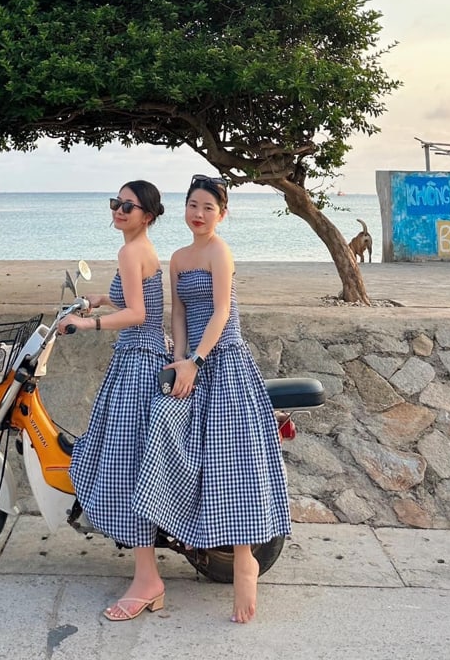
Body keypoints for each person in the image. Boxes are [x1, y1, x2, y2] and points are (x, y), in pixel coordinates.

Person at [133, 174, 291, 624]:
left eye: (207, 207)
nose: (198, 214)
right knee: (163, 429)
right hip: (192, 364)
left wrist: (197, 361)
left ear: (222, 213)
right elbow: (178, 312)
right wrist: (179, 361)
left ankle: (245, 560)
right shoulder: (179, 258)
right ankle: (174, 529)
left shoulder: (220, 251)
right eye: (192, 205)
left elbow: (221, 310)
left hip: (224, 360)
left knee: (230, 457)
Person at [57, 180, 170, 622]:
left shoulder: (130, 251)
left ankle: (148, 580)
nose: (120, 210)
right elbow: (134, 297)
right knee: (126, 463)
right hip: (142, 359)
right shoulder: (140, 249)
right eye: (116, 203)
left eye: (129, 205)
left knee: (125, 467)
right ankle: (145, 574)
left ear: (148, 215)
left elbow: (139, 314)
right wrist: (99, 299)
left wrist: (87, 326)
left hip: (138, 364)